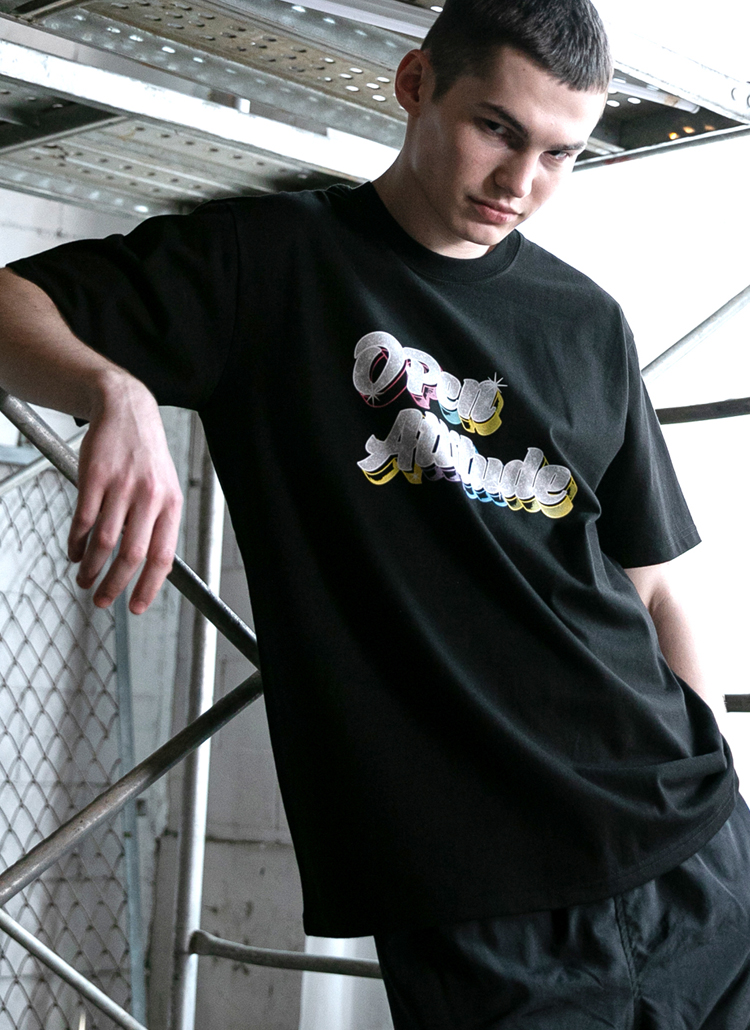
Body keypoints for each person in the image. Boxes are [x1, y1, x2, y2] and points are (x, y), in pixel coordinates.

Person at [0, 0, 748, 1025]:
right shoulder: (270, 262)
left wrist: (718, 785)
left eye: (559, 154)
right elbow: (10, 303)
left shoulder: (587, 322)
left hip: (692, 848)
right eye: (497, 128)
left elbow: (654, 585)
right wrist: (113, 391)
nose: (520, 182)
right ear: (415, 85)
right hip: (475, 902)